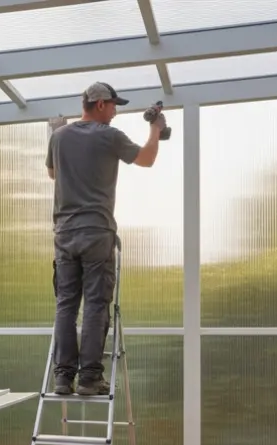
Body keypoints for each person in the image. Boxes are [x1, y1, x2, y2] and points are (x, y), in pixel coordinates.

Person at [45, 82, 165, 396]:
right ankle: (89, 379)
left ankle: (62, 377)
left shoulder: (58, 136)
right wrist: (156, 128)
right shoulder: (109, 136)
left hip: (64, 234)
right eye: (114, 106)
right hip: (96, 231)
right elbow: (147, 159)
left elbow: (53, 174)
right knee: (97, 304)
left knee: (66, 305)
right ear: (100, 104)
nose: (115, 112)